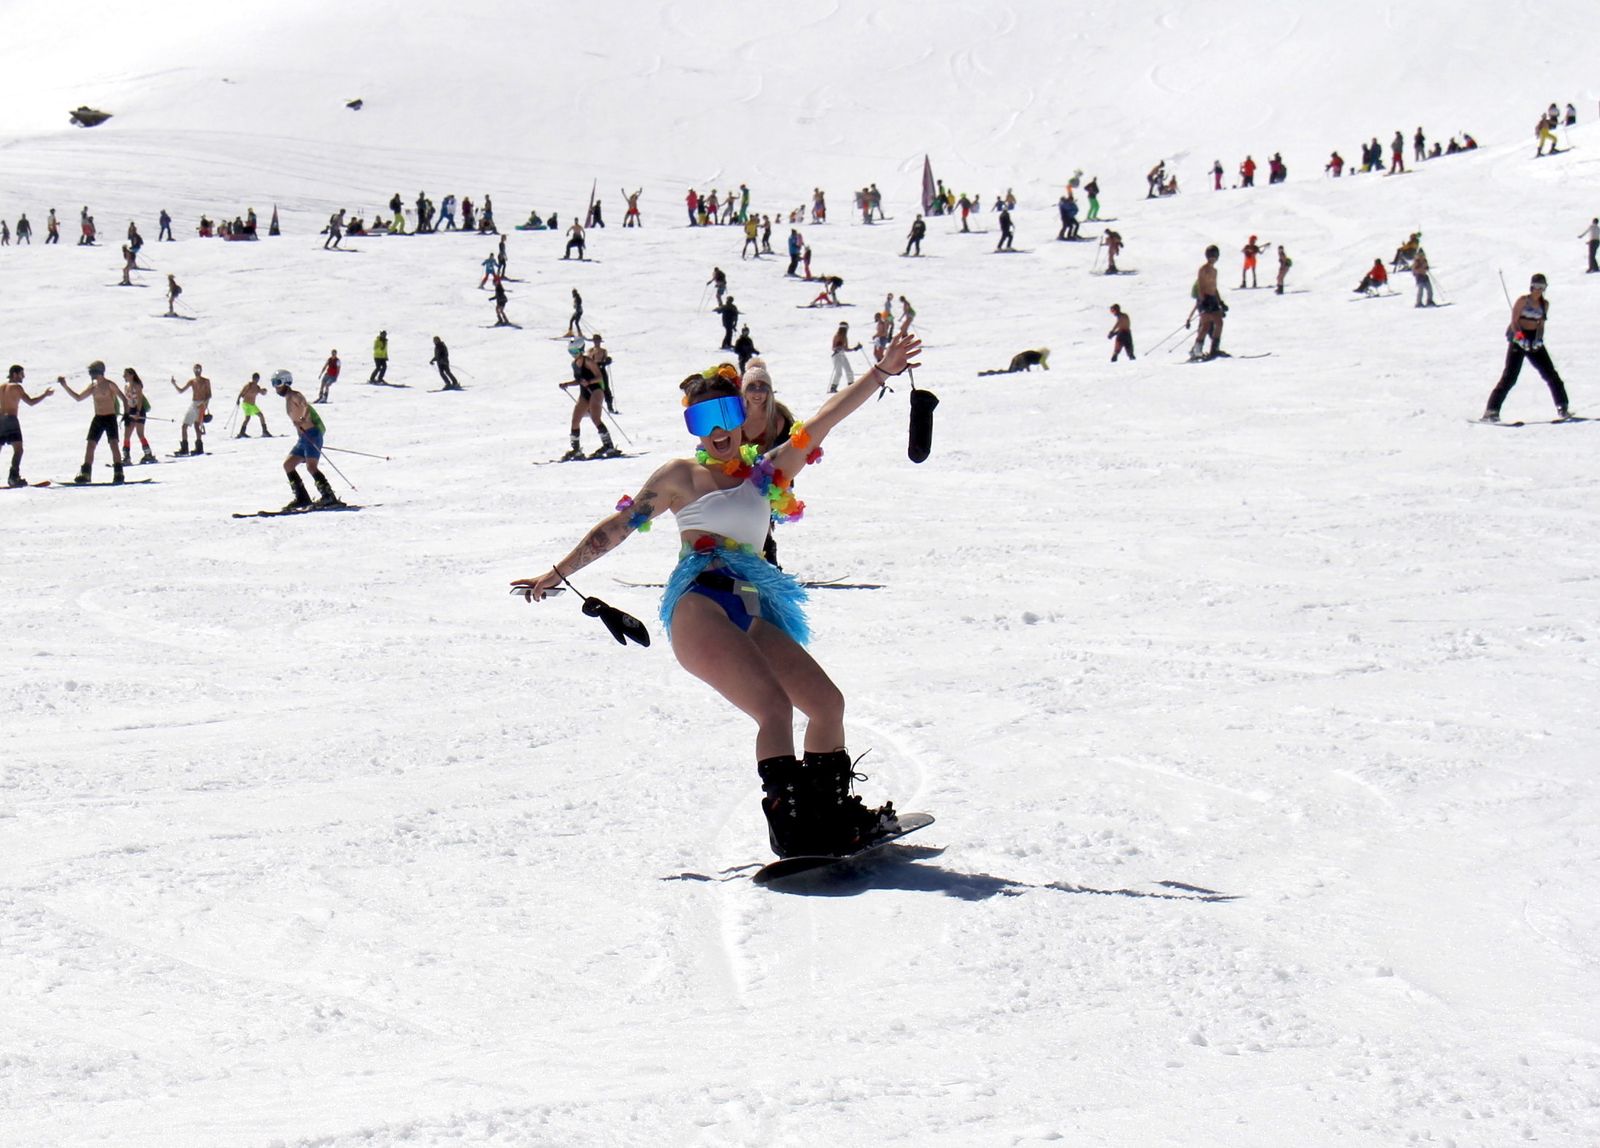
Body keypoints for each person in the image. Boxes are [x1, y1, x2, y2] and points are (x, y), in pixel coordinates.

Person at [510, 332, 923, 859]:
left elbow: (825, 419)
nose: (716, 431)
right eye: (700, 422)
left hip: (748, 607)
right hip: (700, 606)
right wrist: (558, 570)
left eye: (723, 415)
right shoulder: (681, 476)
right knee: (773, 708)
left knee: (825, 705)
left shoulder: (766, 472)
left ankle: (829, 816)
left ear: (740, 416)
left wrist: (881, 372)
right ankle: (791, 832)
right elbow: (617, 527)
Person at [1481, 274, 1572, 421]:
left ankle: (1562, 406)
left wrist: (1538, 339)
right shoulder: (1523, 301)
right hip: (1519, 338)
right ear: (1531, 286)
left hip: (1533, 339)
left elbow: (1541, 325)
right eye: (1536, 287)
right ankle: (1492, 410)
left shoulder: (1544, 304)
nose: (1538, 290)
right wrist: (1519, 337)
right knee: (1510, 376)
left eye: (1542, 287)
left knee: (1550, 373)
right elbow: (1514, 321)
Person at [738, 358, 798, 567]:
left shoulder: (778, 419)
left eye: (763, 387)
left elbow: (789, 451)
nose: (757, 393)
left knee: (762, 524)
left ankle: (768, 561)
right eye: (752, 387)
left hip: (768, 479)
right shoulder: (736, 415)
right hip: (737, 475)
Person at [270, 370, 341, 509]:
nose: (276, 387)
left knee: (311, 467)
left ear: (286, 382)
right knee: (288, 465)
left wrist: (302, 419)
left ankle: (329, 496)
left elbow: (305, 407)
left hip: (312, 434)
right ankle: (302, 498)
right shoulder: (288, 399)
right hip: (304, 438)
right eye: (273, 383)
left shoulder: (295, 395)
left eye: (277, 383)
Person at [61, 361, 129, 484]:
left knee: (113, 444)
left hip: (110, 417)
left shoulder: (110, 385)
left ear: (99, 372)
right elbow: (78, 398)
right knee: (91, 444)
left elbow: (123, 398)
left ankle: (119, 472)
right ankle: (86, 473)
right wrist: (65, 386)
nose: (91, 375)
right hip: (98, 418)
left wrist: (127, 414)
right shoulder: (93, 387)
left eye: (93, 372)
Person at [559, 344, 619, 460]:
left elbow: (599, 377)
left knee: (595, 418)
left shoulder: (588, 362)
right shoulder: (574, 364)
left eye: (575, 351)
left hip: (595, 390)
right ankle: (576, 449)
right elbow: (578, 380)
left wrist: (589, 381)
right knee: (575, 420)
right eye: (570, 352)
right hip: (584, 393)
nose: (573, 355)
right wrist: (567, 384)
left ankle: (608, 446)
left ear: (581, 350)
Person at [2, 365, 54, 486]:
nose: (23, 377)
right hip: (11, 419)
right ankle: (13, 477)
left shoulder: (1, 387)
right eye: (21, 374)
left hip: (0, 419)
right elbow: (31, 402)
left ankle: (13, 477)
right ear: (14, 374)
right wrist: (45, 395)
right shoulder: (17, 387)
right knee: (18, 449)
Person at [1185, 245, 1227, 360]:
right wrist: (1203, 301)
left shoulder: (1214, 271)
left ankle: (1214, 349)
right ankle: (1196, 349)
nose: (1212, 258)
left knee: (1219, 322)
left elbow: (1214, 287)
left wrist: (1221, 302)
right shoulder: (1203, 269)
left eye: (1214, 256)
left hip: (1213, 298)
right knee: (1206, 325)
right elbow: (1201, 286)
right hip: (1204, 299)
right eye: (1210, 256)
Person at [171, 363, 212, 454]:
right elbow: (181, 391)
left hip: (200, 404)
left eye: (198, 370)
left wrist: (204, 405)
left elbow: (209, 395)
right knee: (188, 426)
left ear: (201, 370)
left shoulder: (206, 381)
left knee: (194, 426)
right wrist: (174, 384)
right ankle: (188, 448)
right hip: (194, 404)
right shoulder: (192, 381)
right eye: (195, 370)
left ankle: (197, 448)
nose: (197, 372)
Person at [119, 369, 155, 462]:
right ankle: (126, 457)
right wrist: (126, 412)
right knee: (127, 435)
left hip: (139, 410)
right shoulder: (126, 386)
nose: (124, 376)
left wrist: (138, 412)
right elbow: (127, 400)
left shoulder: (137, 386)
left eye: (126, 375)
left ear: (131, 375)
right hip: (130, 410)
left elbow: (140, 400)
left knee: (140, 433)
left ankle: (148, 454)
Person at [236, 372, 273, 438]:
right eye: (255, 379)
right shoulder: (248, 385)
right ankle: (242, 432)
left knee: (261, 415)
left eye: (256, 379)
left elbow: (262, 393)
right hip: (246, 404)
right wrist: (238, 400)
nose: (256, 380)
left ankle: (265, 431)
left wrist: (264, 391)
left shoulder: (257, 387)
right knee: (247, 418)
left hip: (252, 405)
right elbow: (241, 393)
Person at [589, 333, 617, 414]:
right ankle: (591, 407)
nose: (596, 342)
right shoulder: (591, 351)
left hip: (601, 370)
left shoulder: (603, 351)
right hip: (594, 370)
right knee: (593, 389)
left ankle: (610, 407)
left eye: (597, 341)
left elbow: (605, 360)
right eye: (595, 341)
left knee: (605, 388)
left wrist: (607, 361)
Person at [827, 321, 860, 392]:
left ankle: (851, 386)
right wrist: (837, 348)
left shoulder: (845, 337)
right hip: (837, 355)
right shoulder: (837, 336)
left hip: (842, 355)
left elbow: (846, 348)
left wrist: (855, 348)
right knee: (839, 372)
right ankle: (833, 387)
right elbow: (833, 347)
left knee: (849, 371)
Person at [976, 349, 1050, 375]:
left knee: (1010, 372)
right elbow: (1045, 366)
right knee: (1011, 372)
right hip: (1021, 360)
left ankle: (986, 373)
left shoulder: (1034, 353)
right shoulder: (1040, 357)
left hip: (1016, 358)